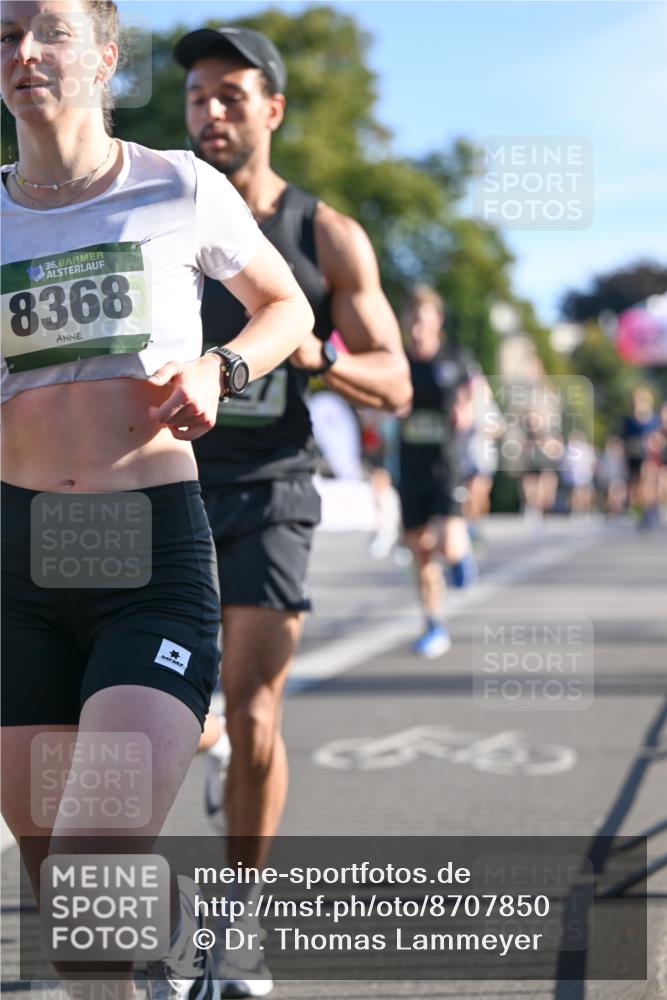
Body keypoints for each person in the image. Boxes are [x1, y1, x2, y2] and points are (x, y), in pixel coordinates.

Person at [0, 4, 313, 999]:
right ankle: (165, 936)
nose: (23, 53)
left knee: (93, 870)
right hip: (19, 559)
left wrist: (223, 368)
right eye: (4, 34)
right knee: (68, 891)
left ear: (104, 54)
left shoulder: (178, 184)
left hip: (146, 551)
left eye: (47, 31)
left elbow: (285, 307)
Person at [173, 24, 412, 997]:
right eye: (196, 96)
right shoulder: (162, 214)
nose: (211, 113)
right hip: (167, 489)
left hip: (272, 489)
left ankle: (238, 923)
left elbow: (397, 379)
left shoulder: (324, 232)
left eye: (232, 95)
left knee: (256, 705)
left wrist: (322, 356)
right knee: (172, 716)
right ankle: (209, 743)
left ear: (272, 109)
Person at [397, 285, 478, 659]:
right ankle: (433, 624)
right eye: (411, 318)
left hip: (448, 468)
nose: (416, 326)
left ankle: (462, 556)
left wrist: (469, 409)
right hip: (411, 468)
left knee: (446, 543)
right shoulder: (398, 362)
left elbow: (477, 392)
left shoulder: (454, 358)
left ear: (437, 322)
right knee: (421, 553)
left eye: (423, 318)